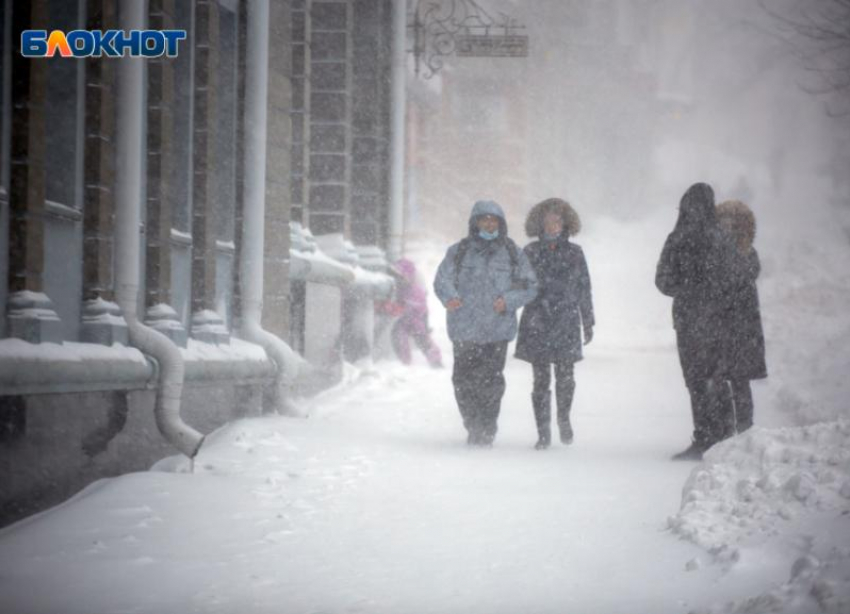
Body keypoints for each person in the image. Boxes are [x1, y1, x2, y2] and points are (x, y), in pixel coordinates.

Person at [434, 200, 538, 446]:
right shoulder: (458, 252)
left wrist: (509, 300)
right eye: (484, 219)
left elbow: (529, 285)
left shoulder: (513, 253)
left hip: (497, 330)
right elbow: (442, 279)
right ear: (475, 223)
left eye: (493, 220)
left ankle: (488, 426)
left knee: (492, 382)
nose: (489, 224)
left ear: (500, 224)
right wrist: (450, 297)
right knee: (463, 381)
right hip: (464, 329)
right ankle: (472, 424)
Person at [655, 183, 743, 461]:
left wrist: (686, 288)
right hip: (714, 320)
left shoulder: (678, 238)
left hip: (690, 320)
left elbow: (663, 281)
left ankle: (705, 436)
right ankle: (722, 435)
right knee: (714, 378)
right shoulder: (721, 239)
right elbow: (733, 281)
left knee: (697, 380)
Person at [515, 198, 594, 450]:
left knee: (566, 376)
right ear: (540, 224)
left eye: (557, 220)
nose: (553, 226)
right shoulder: (530, 252)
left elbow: (584, 288)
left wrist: (588, 320)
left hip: (566, 320)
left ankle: (563, 418)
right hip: (537, 319)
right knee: (540, 380)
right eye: (548, 221)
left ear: (565, 223)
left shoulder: (575, 253)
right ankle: (543, 432)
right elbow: (519, 285)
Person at [716, 199, 767, 434]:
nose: (725, 225)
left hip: (736, 324)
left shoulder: (742, 253)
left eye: (729, 221)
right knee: (727, 378)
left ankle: (742, 428)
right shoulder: (745, 252)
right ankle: (732, 426)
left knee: (736, 379)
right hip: (734, 324)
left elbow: (734, 281)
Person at [382, 258, 443, 368]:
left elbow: (409, 307)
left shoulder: (415, 290)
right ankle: (404, 361)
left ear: (409, 277)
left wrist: (392, 308)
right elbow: (398, 305)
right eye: (397, 277)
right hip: (404, 320)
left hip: (417, 319)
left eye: (401, 277)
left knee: (423, 339)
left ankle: (435, 360)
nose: (398, 280)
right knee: (399, 337)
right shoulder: (400, 288)